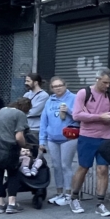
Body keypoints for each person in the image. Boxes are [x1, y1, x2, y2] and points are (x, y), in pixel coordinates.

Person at [70, 67, 110, 215]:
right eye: (104, 82)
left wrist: (105, 117)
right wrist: (100, 117)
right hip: (87, 136)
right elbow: (77, 115)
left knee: (103, 169)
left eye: (109, 83)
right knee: (83, 167)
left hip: (106, 137)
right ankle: (74, 197)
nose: (107, 86)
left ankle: (100, 202)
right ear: (97, 79)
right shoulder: (84, 93)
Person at [39, 76, 79, 206]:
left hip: (69, 137)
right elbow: (44, 121)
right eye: (55, 86)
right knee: (56, 166)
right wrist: (42, 140)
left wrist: (69, 111)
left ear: (65, 85)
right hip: (52, 138)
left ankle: (68, 194)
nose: (58, 88)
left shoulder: (74, 98)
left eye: (60, 85)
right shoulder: (50, 100)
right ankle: (59, 192)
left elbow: (80, 118)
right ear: (51, 88)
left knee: (65, 165)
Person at [0, 97, 32, 214]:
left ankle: (0, 205)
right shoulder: (20, 114)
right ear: (26, 108)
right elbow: (19, 136)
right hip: (9, 148)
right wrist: (25, 146)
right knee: (13, 174)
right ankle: (11, 204)